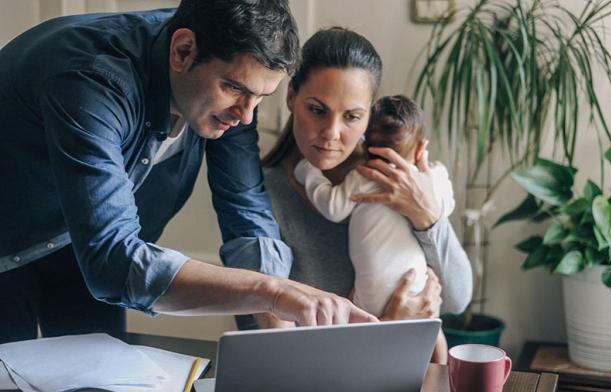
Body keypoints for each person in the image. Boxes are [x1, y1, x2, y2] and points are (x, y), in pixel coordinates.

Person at [0, 1, 376, 344]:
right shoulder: (93, 79)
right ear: (182, 51)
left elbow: (244, 210)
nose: (246, 115)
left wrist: (281, 337)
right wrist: (274, 292)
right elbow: (113, 261)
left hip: (82, 251)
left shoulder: (235, 79)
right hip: (10, 243)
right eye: (234, 89)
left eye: (260, 98)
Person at [242, 28, 473, 362]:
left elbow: (457, 299)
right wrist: (386, 327)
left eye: (352, 116)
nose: (331, 134)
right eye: (318, 110)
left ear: (369, 117)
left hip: (407, 381)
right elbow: (281, 356)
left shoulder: (395, 181)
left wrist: (428, 217)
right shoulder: (258, 198)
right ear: (291, 96)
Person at [294, 95, 455, 316]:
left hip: (370, 296)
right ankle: (441, 351)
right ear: (421, 150)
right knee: (433, 331)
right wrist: (440, 174)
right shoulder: (427, 182)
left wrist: (309, 173)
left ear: (364, 144)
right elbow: (446, 208)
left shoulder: (363, 177)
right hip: (416, 284)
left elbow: (333, 207)